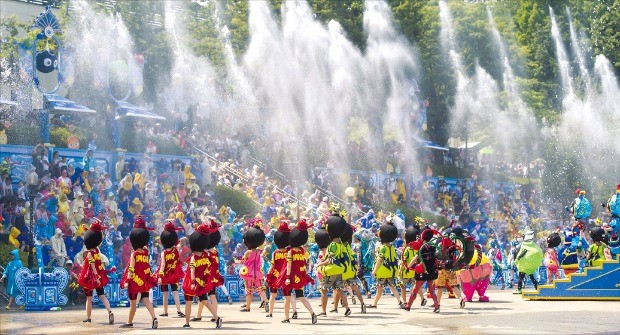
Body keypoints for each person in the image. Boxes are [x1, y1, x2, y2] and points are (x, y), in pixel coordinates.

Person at [120, 216, 158, 329]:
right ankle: (154, 318)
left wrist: (127, 280)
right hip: (144, 279)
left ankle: (129, 322)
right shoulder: (146, 252)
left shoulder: (134, 254)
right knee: (146, 300)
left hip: (135, 281)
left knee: (133, 303)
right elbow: (145, 243)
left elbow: (131, 268)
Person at [182, 223, 221, 329]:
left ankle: (187, 323)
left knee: (188, 303)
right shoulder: (207, 255)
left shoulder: (194, 257)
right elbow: (210, 267)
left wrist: (193, 282)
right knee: (206, 301)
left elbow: (192, 271)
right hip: (202, 282)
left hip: (191, 282)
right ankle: (217, 317)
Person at [77, 220, 114, 324]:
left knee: (89, 298)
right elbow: (92, 237)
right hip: (100, 275)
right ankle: (110, 311)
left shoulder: (88, 254)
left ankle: (88, 317)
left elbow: (92, 266)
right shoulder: (97, 251)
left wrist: (96, 277)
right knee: (102, 295)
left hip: (90, 277)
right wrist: (86, 229)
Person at [281, 219, 318, 324]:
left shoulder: (290, 252)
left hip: (291, 276)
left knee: (287, 297)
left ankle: (287, 318)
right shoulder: (302, 251)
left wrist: (287, 277)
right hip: (300, 276)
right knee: (301, 296)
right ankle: (312, 313)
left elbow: (289, 265)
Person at [315, 210, 350, 316]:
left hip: (331, 270)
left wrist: (319, 264)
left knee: (324, 290)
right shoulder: (341, 244)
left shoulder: (332, 245)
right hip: (339, 269)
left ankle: (323, 311)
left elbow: (329, 260)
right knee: (339, 289)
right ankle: (347, 308)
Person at [369, 219, 403, 309]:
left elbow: (380, 260)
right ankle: (400, 302)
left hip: (383, 271)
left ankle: (374, 304)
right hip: (391, 270)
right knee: (392, 287)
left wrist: (374, 270)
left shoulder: (382, 247)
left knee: (379, 288)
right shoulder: (392, 247)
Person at [404, 228, 440, 313]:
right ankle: (436, 306)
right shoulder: (433, 246)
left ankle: (408, 305)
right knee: (431, 290)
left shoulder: (422, 247)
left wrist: (408, 267)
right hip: (431, 270)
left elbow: (416, 258)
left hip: (422, 271)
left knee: (415, 289)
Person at [156, 221, 185, 318]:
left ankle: (165, 311)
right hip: (174, 274)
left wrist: (160, 276)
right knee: (175, 292)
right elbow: (181, 241)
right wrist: (175, 233)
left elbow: (163, 265)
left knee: (165, 293)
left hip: (165, 274)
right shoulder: (176, 249)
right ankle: (179, 310)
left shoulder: (163, 253)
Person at [239, 219, 268, 312]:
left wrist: (238, 261)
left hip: (249, 275)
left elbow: (243, 260)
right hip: (258, 273)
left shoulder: (248, 252)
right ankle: (266, 302)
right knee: (260, 289)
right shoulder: (258, 252)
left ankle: (248, 307)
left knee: (249, 291)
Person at [265, 221, 290, 318]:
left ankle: (270, 313)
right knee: (288, 296)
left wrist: (268, 274)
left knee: (273, 294)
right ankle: (292, 313)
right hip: (285, 275)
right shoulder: (289, 251)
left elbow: (272, 265)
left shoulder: (275, 253)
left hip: (276, 275)